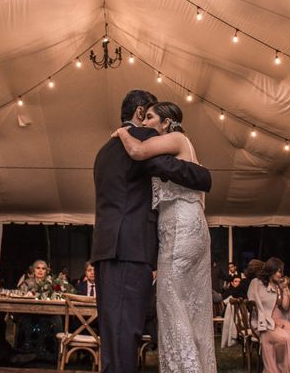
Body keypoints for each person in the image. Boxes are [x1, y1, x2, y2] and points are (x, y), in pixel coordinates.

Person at [93, 90, 212, 373]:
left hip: (106, 245)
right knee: (127, 328)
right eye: (146, 115)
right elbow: (195, 175)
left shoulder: (103, 150)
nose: (148, 122)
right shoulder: (142, 139)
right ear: (139, 113)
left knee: (112, 331)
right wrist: (206, 176)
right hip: (131, 246)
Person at [248, 257, 290, 373]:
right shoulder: (257, 283)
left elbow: (285, 306)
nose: (280, 274)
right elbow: (252, 301)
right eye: (277, 270)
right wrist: (264, 317)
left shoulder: (279, 286)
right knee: (284, 338)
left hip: (280, 321)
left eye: (281, 271)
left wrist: (285, 289)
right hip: (264, 323)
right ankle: (281, 369)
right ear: (270, 270)